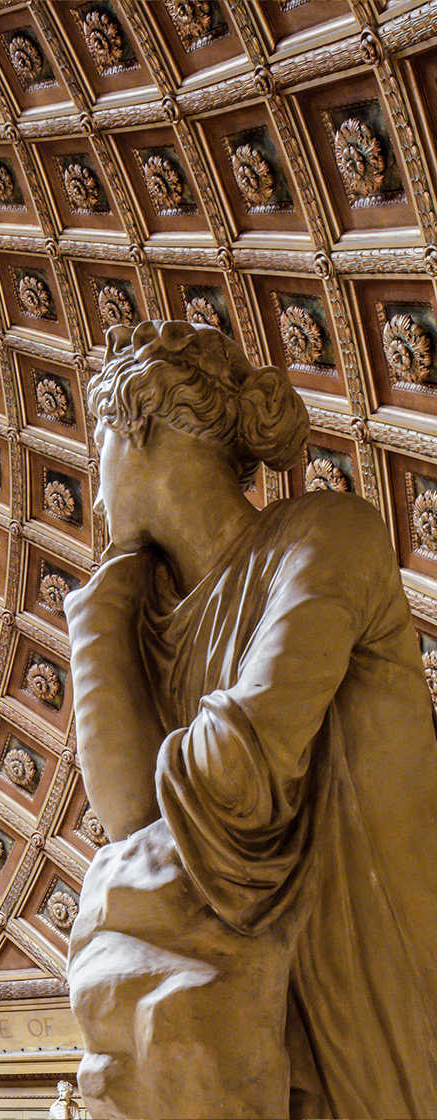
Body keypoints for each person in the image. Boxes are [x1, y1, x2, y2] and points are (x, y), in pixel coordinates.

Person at [65, 320, 437, 1120]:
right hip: (247, 996)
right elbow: (128, 815)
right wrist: (98, 619)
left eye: (97, 458)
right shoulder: (147, 618)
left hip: (355, 958)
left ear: (138, 429)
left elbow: (240, 776)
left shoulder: (329, 536)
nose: (94, 496)